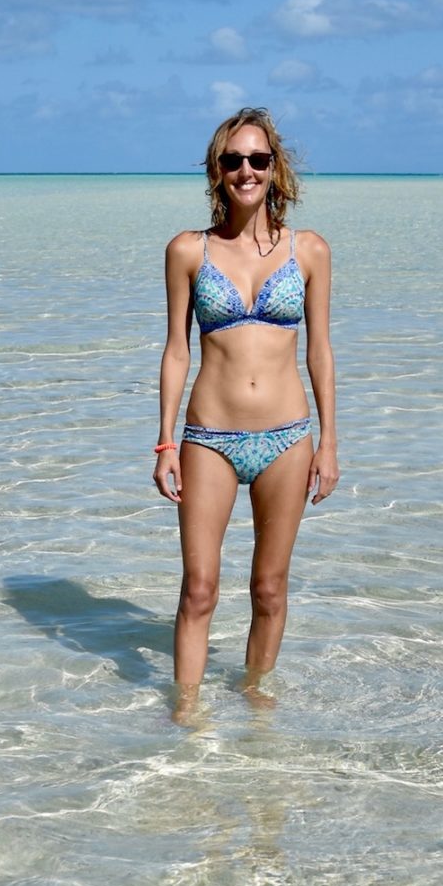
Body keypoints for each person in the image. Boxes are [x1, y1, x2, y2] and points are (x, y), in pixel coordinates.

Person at [154, 107, 338, 712]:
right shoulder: (187, 250)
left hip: (289, 437)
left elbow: (320, 351)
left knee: (268, 588)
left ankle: (257, 713)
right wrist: (164, 444)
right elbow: (177, 350)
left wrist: (330, 443)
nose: (246, 171)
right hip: (209, 437)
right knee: (199, 589)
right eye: (233, 160)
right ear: (217, 170)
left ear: (275, 169)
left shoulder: (309, 251)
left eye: (258, 159)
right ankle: (185, 717)